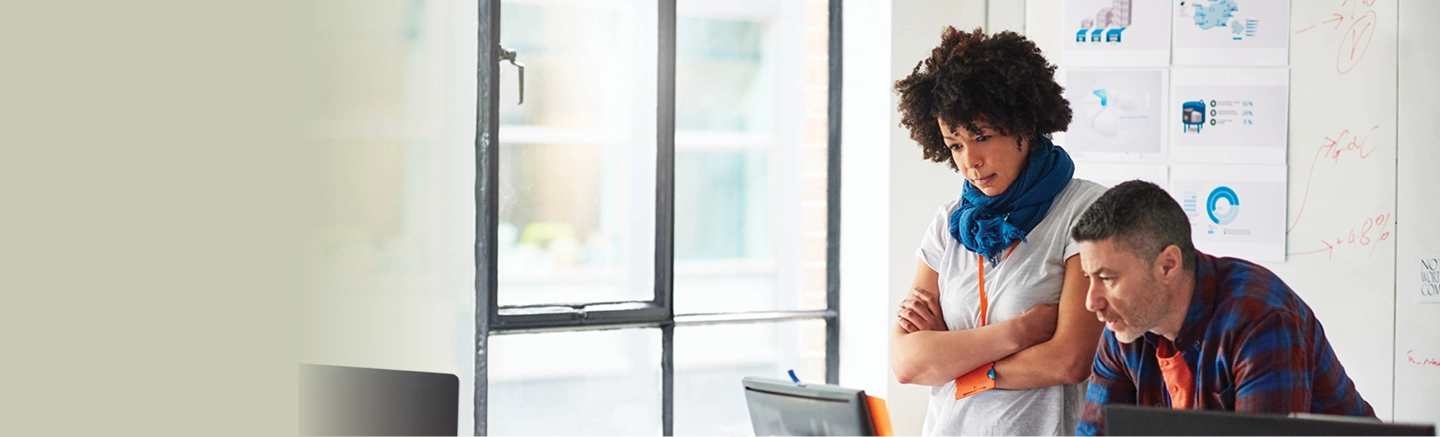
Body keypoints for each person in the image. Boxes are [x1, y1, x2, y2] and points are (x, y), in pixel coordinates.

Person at [890, 27, 1107, 436]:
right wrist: (1019, 332)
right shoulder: (948, 223)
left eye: (982, 137)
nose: (970, 161)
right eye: (954, 145)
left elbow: (1068, 360)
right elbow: (909, 364)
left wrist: (957, 363)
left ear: (1023, 125)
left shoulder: (1086, 211)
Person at [1070, 180, 1375, 436]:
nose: (1092, 301)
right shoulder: (1125, 324)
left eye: (1107, 278)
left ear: (1168, 265)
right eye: (1089, 278)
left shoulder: (1260, 320)